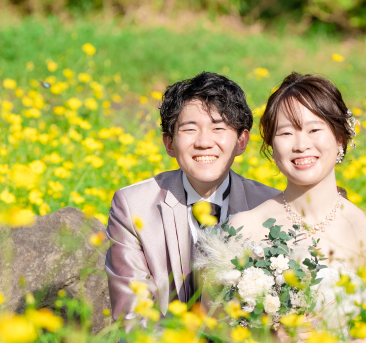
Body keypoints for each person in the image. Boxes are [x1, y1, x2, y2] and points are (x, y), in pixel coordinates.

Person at [225, 72, 366, 343]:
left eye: (314, 130)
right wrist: (269, 340)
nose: (301, 145)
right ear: (272, 149)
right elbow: (213, 322)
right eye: (286, 133)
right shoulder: (243, 227)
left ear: (340, 138)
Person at [105, 72, 281, 325]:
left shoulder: (270, 206)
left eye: (218, 128)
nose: (204, 142)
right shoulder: (133, 205)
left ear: (241, 142)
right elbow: (133, 317)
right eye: (189, 129)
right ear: (169, 143)